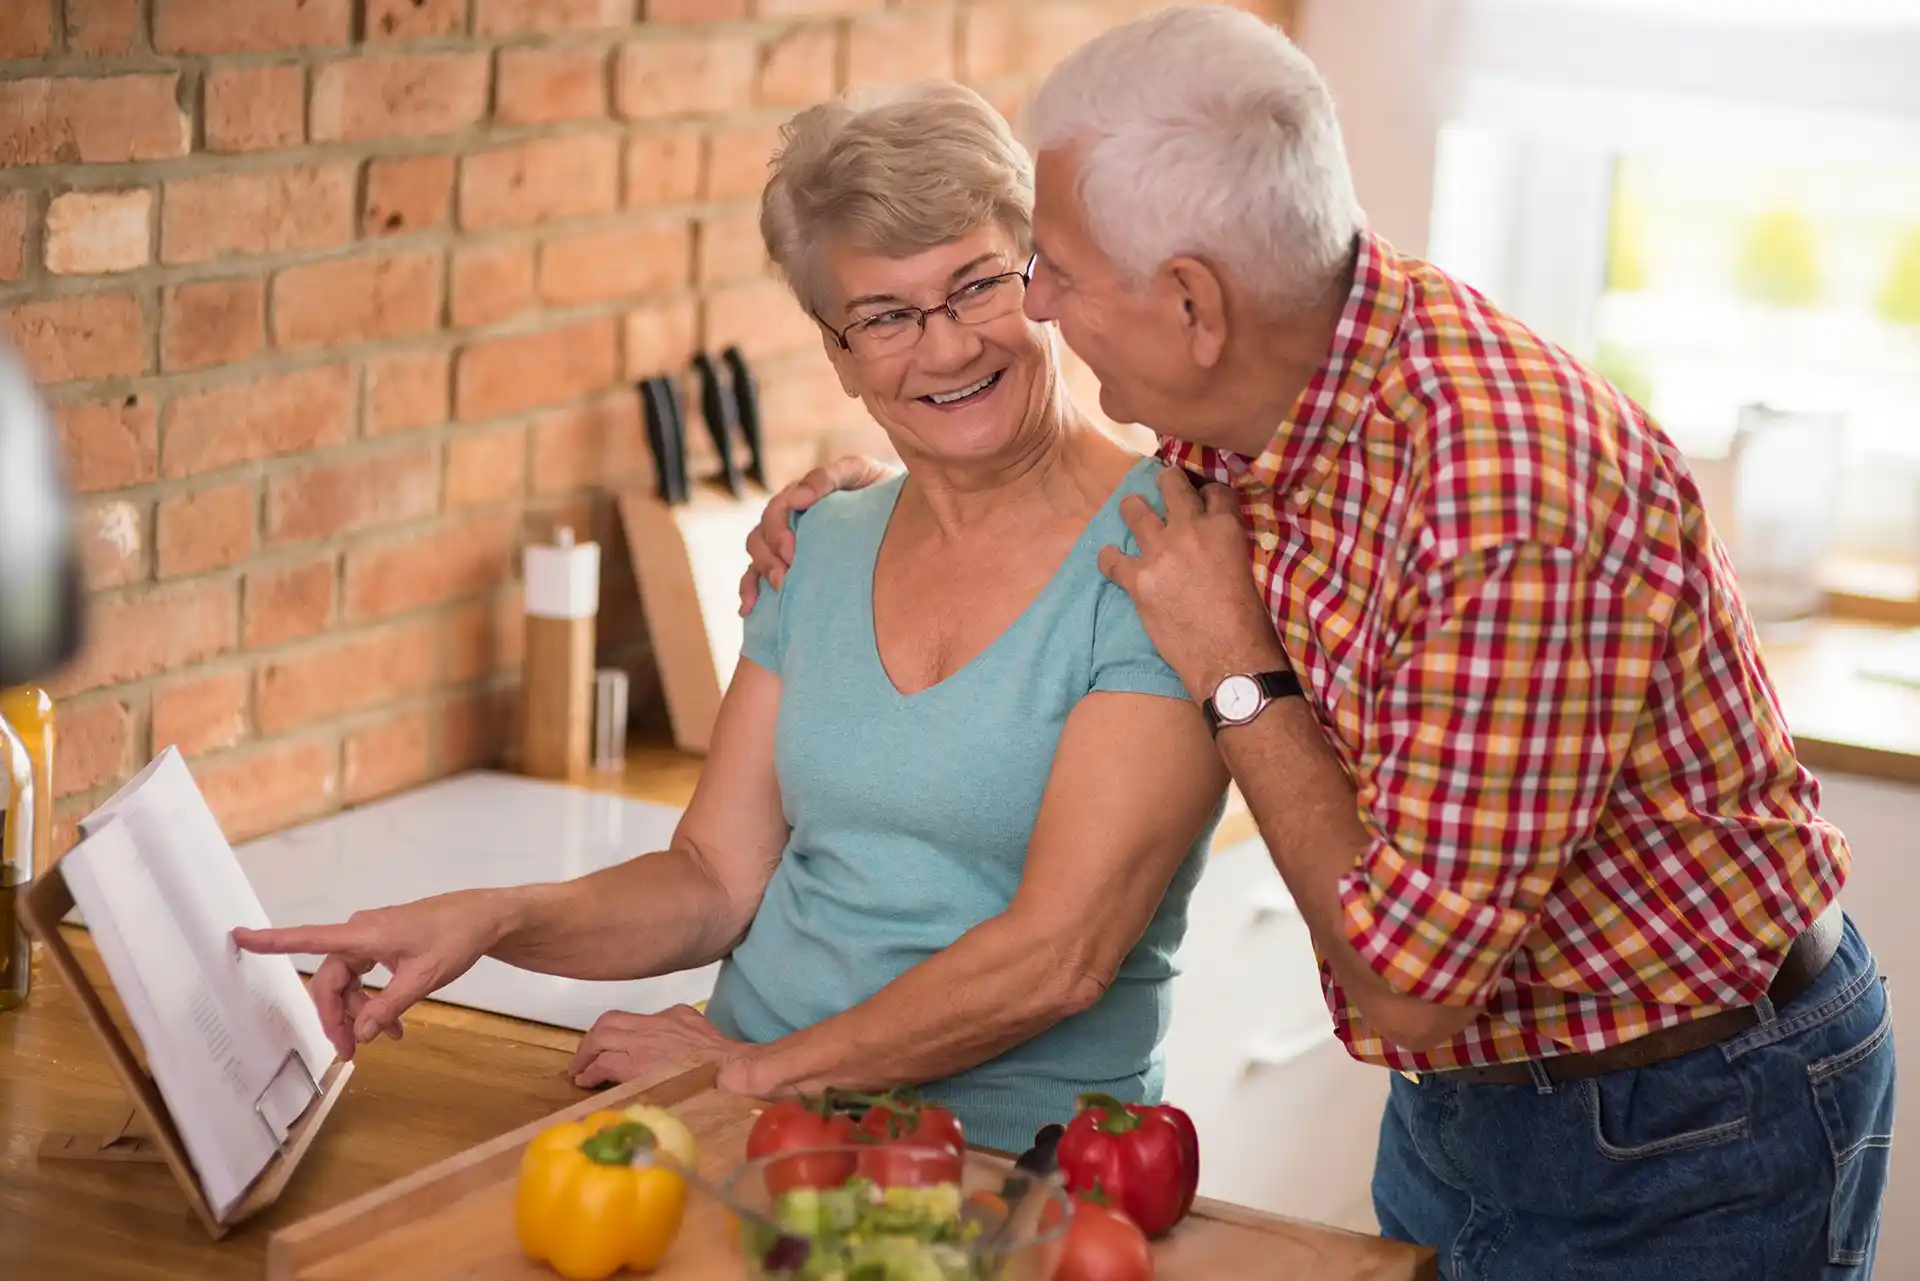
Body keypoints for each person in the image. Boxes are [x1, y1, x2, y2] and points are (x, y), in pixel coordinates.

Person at [737, 7, 1896, 1277]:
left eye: (1049, 270)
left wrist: (1238, 665)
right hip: (1479, 1094)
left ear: (1191, 303)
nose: (1036, 310)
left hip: (1688, 1114)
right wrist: (866, 500)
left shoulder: (1509, 505)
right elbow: (1018, 470)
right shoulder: (1260, 378)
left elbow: (1409, 988)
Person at [235, 81, 1227, 1155]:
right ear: (838, 354)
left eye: (975, 286)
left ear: (1041, 283)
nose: (944, 350)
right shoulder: (825, 542)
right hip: (737, 1121)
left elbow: (1059, 956)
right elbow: (712, 878)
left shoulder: (1167, 556)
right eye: (886, 316)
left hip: (1012, 1164)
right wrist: (493, 919)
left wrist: (757, 1074)